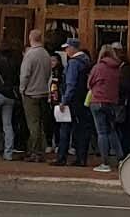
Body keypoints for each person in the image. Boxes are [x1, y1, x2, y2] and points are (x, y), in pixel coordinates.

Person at [53, 38, 93, 167]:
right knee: (81, 129)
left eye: (67, 48)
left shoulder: (73, 63)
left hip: (72, 101)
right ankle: (81, 157)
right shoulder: (86, 61)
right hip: (83, 99)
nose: (66, 50)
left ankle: (61, 157)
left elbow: (70, 84)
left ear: (73, 48)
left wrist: (64, 101)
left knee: (65, 129)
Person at [86, 44, 124, 173]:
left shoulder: (98, 67)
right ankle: (120, 159)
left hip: (98, 101)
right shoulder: (117, 68)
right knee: (112, 130)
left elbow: (89, 83)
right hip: (112, 102)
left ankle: (104, 162)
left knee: (101, 132)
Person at [19, 29, 54, 162]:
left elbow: (25, 75)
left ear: (30, 38)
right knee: (40, 123)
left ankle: (35, 152)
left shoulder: (30, 55)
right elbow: (49, 73)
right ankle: (38, 149)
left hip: (31, 93)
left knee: (32, 123)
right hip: (43, 92)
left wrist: (22, 89)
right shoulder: (46, 54)